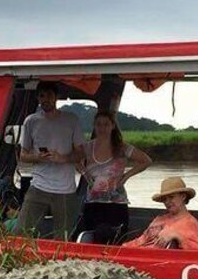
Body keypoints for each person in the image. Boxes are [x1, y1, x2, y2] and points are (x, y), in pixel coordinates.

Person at [15, 81, 85, 241]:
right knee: (20, 234)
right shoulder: (31, 121)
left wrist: (63, 158)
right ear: (38, 98)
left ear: (56, 97)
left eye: (49, 95)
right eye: (42, 96)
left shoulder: (71, 120)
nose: (45, 99)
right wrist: (38, 157)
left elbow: (81, 154)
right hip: (38, 186)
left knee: (64, 239)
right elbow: (23, 155)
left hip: (66, 191)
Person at [77, 110, 152, 243]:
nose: (102, 128)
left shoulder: (122, 147)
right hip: (93, 202)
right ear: (94, 126)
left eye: (106, 124)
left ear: (112, 126)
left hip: (116, 203)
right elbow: (72, 159)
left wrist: (126, 176)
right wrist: (85, 174)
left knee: (115, 240)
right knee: (92, 239)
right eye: (99, 124)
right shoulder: (87, 147)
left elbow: (146, 160)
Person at [122, 177, 198, 251]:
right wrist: (121, 248)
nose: (167, 202)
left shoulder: (190, 222)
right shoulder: (159, 219)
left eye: (171, 197)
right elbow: (141, 240)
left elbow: (197, 253)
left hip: (163, 261)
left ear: (183, 196)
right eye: (164, 199)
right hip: (140, 256)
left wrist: (178, 237)